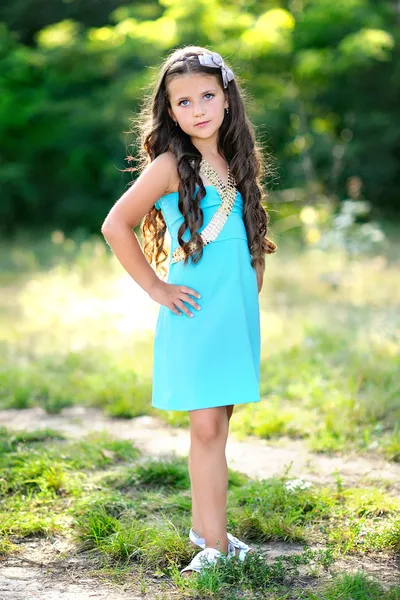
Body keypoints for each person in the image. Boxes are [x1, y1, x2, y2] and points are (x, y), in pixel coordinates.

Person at [101, 45, 277, 576]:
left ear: (226, 97)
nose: (197, 109)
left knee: (218, 421)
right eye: (183, 101)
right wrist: (157, 287)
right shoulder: (170, 165)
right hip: (195, 309)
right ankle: (215, 549)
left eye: (206, 95)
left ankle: (209, 531)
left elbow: (248, 231)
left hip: (235, 309)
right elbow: (115, 224)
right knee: (205, 427)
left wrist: (253, 280)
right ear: (170, 111)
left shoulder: (239, 159)